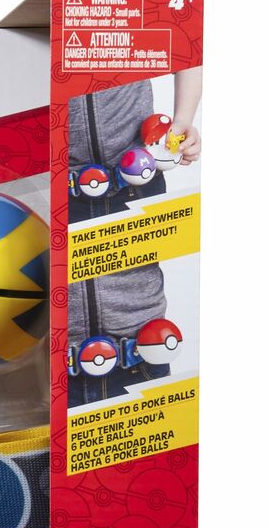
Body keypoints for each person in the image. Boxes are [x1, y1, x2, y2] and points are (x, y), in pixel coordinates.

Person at [67, 71, 202, 406]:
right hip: (58, 180)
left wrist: (182, 121)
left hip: (135, 175)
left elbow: (184, 46)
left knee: (134, 287)